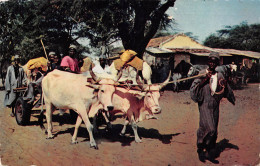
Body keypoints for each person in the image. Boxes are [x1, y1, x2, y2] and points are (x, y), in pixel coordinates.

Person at [190, 52, 235, 162]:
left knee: (214, 130)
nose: (212, 63)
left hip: (215, 105)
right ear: (207, 61)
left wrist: (231, 97)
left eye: (214, 61)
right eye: (210, 61)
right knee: (211, 129)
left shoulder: (219, 75)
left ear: (217, 63)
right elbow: (193, 89)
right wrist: (205, 79)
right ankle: (200, 148)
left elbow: (225, 87)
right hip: (204, 103)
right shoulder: (201, 73)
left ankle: (208, 153)